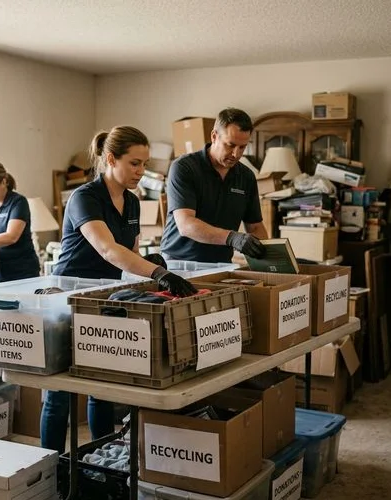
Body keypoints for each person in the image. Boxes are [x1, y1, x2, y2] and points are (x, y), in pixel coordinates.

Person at [42, 125, 197, 454]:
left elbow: (129, 252)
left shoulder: (132, 202)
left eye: (145, 164)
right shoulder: (85, 198)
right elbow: (108, 250)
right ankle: (49, 471)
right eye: (135, 163)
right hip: (69, 296)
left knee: (103, 386)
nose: (141, 172)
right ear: (111, 159)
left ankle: (101, 457)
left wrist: (148, 261)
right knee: (60, 393)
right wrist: (158, 272)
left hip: (105, 297)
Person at [161, 108, 269, 263]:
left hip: (222, 264)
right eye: (230, 145)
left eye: (242, 147)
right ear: (214, 136)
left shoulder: (246, 176)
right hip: (179, 263)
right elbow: (185, 224)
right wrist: (232, 238)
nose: (236, 154)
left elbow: (255, 227)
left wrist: (270, 259)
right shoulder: (184, 167)